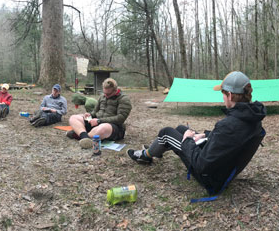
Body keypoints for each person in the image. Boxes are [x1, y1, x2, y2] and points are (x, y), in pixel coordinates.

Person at [126, 71, 265, 200]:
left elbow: (202, 164)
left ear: (229, 95)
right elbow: (230, 138)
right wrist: (206, 135)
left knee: (166, 133)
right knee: (181, 128)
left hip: (211, 178)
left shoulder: (228, 125)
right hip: (225, 169)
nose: (222, 97)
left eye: (223, 93)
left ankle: (146, 155)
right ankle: (158, 148)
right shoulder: (252, 118)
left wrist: (187, 140)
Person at [65, 78, 132, 149]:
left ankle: (78, 134)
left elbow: (120, 118)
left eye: (108, 94)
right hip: (96, 122)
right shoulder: (102, 97)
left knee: (103, 128)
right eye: (104, 93)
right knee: (74, 117)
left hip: (113, 127)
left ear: (115, 90)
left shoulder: (124, 99)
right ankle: (85, 137)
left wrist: (99, 121)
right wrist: (90, 114)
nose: (106, 95)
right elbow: (95, 111)